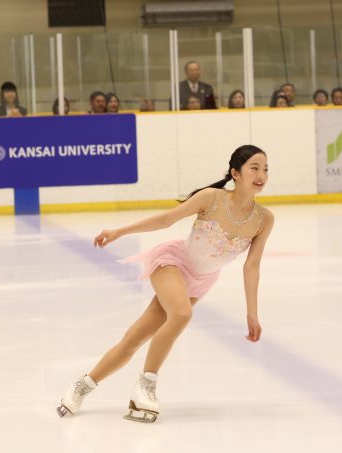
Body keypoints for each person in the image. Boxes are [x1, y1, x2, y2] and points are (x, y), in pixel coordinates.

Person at [56, 145, 274, 423]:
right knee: (181, 314)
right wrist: (120, 231)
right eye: (254, 168)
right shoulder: (212, 198)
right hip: (174, 263)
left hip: (202, 279)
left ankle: (82, 385)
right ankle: (146, 386)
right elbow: (166, 219)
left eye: (265, 169)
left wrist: (252, 312)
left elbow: (252, 266)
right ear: (236, 173)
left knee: (135, 338)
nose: (261, 175)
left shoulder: (264, 219)